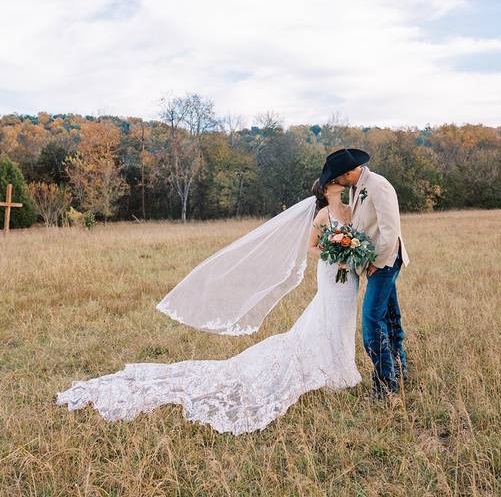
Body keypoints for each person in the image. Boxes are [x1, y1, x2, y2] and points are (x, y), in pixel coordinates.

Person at [56, 179, 362, 434]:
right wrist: (333, 248)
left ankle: (341, 368)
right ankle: (333, 371)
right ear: (326, 191)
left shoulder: (350, 210)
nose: (339, 187)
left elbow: (362, 236)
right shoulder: (323, 217)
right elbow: (311, 246)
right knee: (328, 315)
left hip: (350, 276)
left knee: (343, 318)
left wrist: (354, 247)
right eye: (335, 185)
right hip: (331, 270)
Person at [323, 148, 410, 398]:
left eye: (336, 177)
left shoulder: (378, 185)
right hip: (373, 261)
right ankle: (399, 368)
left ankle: (385, 386)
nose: (335, 182)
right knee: (390, 315)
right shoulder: (356, 188)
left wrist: (375, 262)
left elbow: (390, 230)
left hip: (385, 260)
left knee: (372, 320)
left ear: (348, 173)